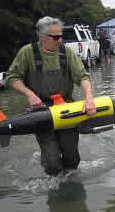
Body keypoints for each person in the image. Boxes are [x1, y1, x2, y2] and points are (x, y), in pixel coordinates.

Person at [6, 16, 96, 176]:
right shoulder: (27, 53)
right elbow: (12, 77)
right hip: (41, 112)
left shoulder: (66, 52)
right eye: (56, 37)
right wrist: (29, 94)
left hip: (67, 109)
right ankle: (55, 190)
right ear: (42, 37)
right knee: (52, 163)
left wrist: (89, 99)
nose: (60, 40)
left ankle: (72, 191)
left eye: (61, 36)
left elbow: (83, 77)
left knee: (72, 158)